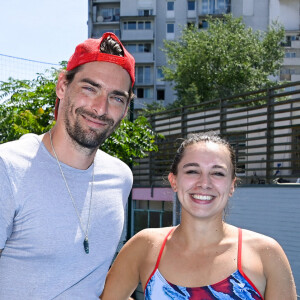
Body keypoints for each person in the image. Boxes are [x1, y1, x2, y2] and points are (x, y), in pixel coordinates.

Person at [0, 32, 135, 299]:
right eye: (90, 88)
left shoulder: (121, 177)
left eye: (116, 98)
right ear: (62, 86)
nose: (100, 108)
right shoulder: (8, 167)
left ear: (126, 108)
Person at [100, 132, 297, 300]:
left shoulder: (266, 254)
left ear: (232, 186)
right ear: (174, 180)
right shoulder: (145, 245)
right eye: (193, 171)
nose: (204, 183)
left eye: (218, 173)